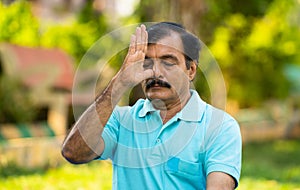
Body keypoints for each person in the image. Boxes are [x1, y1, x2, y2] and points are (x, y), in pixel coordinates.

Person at [62, 22, 242, 190]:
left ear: (191, 70)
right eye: (147, 62)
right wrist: (119, 83)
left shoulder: (220, 127)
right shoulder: (121, 121)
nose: (155, 72)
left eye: (168, 61)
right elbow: (73, 152)